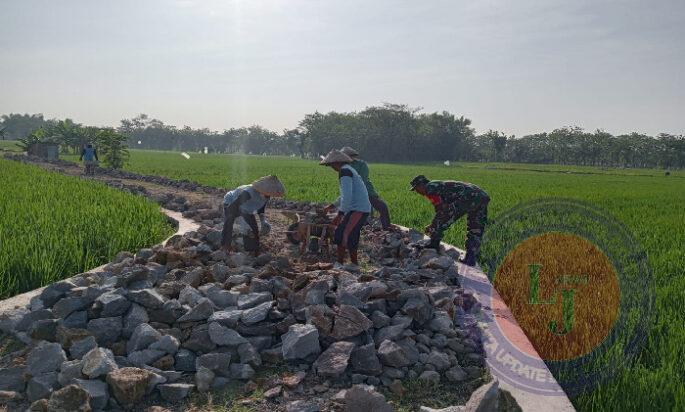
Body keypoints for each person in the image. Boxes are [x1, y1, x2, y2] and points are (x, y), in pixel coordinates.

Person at [409, 175, 490, 266]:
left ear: (421, 185)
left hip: (467, 197)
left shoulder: (430, 188)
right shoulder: (437, 184)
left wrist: (433, 225)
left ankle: (434, 244)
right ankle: (470, 257)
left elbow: (441, 210)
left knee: (441, 219)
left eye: (416, 189)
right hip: (482, 196)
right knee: (475, 228)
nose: (417, 192)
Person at [321, 150, 371, 268]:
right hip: (358, 208)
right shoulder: (348, 170)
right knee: (347, 233)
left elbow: (347, 197)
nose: (331, 168)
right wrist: (332, 206)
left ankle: (349, 264)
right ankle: (346, 263)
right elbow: (345, 194)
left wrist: (340, 214)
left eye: (331, 165)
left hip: (359, 208)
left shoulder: (345, 172)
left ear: (337, 163)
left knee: (345, 233)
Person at [221, 175, 285, 256]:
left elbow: (260, 211)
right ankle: (225, 246)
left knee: (255, 228)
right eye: (268, 194)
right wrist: (232, 217)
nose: (269, 196)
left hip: (246, 209)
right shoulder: (248, 192)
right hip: (231, 202)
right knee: (229, 223)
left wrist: (262, 223)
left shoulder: (266, 196)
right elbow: (233, 206)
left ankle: (255, 249)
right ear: (262, 190)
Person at [340, 146, 394, 231]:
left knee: (383, 207)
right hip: (352, 194)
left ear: (352, 156)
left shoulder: (361, 164)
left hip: (367, 191)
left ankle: (386, 229)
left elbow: (363, 180)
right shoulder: (342, 167)